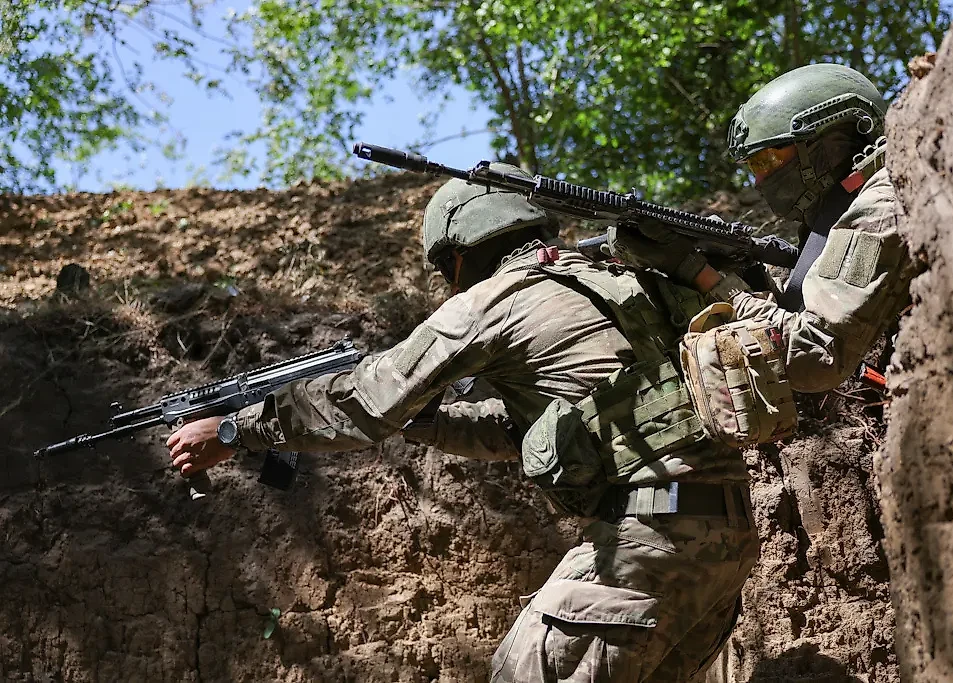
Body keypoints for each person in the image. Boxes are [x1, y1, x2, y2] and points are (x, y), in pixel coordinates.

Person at [165, 164, 759, 682]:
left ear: (457, 257)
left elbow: (363, 401)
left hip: (644, 538)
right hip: (724, 540)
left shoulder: (494, 298)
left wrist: (230, 431)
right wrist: (424, 422)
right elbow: (537, 431)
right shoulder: (620, 283)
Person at [612, 63, 915, 393]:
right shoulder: (838, 215)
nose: (758, 182)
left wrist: (697, 272)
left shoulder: (881, 204)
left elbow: (813, 357)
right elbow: (801, 315)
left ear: (830, 144)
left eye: (766, 161)